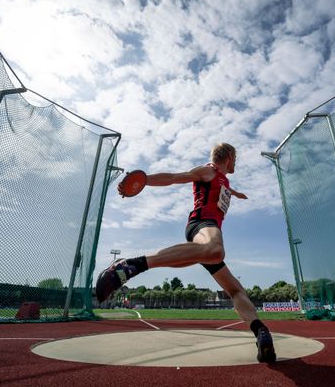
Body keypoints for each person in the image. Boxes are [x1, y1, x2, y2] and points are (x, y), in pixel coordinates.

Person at [95, 142, 276, 363]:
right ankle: (132, 265)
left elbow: (223, 190)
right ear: (229, 156)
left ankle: (260, 331)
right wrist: (144, 180)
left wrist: (235, 193)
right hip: (201, 225)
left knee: (236, 290)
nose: (236, 162)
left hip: (209, 232)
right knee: (215, 250)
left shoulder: (223, 180)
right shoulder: (208, 171)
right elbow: (174, 177)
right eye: (235, 158)